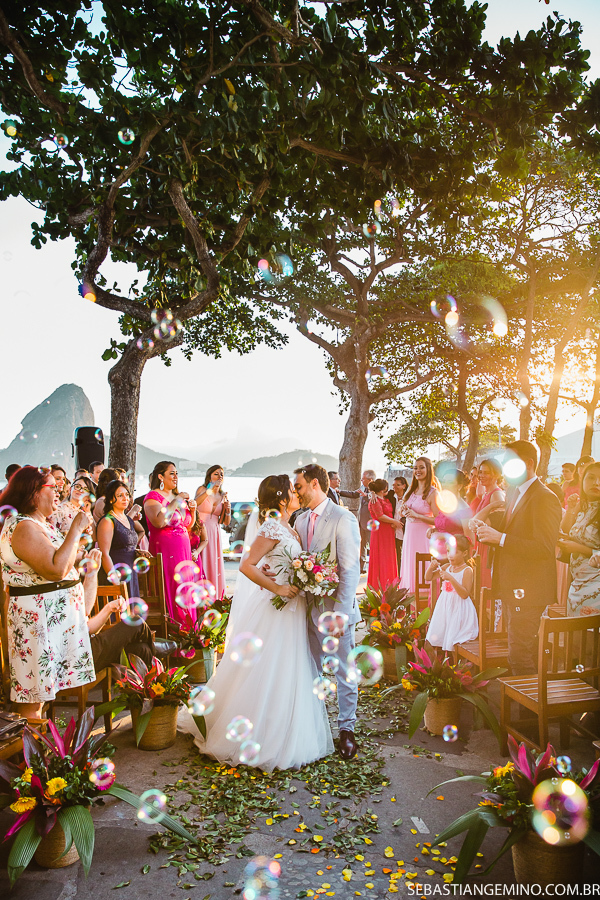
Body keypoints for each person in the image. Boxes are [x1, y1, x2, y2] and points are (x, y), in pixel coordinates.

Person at [178, 474, 333, 770]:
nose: (296, 492)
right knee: (268, 668)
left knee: (291, 667)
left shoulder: (290, 526)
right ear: (282, 496)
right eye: (292, 489)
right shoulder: (272, 526)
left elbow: (273, 563)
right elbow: (248, 565)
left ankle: (288, 730)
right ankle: (258, 734)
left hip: (294, 607)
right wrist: (277, 587)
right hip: (276, 608)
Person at [0, 466, 96, 716]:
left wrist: (78, 552)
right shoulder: (23, 527)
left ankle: (38, 749)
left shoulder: (39, 523)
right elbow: (55, 570)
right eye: (53, 486)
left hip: (52, 623)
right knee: (34, 696)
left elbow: (58, 563)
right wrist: (75, 529)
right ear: (33, 492)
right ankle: (29, 752)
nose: (61, 490)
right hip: (37, 624)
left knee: (42, 695)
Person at [476, 441, 562, 676]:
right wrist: (487, 531)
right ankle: (533, 705)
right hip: (512, 585)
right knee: (523, 650)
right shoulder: (514, 491)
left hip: (531, 589)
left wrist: (500, 538)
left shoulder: (546, 498)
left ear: (529, 463)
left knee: (519, 654)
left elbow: (544, 548)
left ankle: (532, 709)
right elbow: (510, 528)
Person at [294, 464, 361, 760]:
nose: (296, 491)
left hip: (335, 611)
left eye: (299, 486)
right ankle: (316, 727)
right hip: (306, 611)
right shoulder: (299, 521)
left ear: (315, 485)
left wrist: (341, 615)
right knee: (312, 670)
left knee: (344, 673)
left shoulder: (343, 518)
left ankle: (347, 730)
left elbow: (349, 570)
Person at [144, 461, 198, 625]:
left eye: (176, 473)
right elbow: (159, 522)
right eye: (172, 473)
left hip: (183, 551)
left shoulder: (176, 497)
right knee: (172, 588)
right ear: (161, 476)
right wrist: (176, 501)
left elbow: (187, 524)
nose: (176, 477)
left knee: (185, 589)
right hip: (166, 551)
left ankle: (188, 631)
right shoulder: (153, 497)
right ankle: (174, 628)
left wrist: (193, 511)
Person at [559, 462, 600, 616]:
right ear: (582, 481)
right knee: (575, 636)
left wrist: (577, 548)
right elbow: (566, 530)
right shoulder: (583, 507)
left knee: (590, 638)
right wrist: (570, 508)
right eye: (591, 478)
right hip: (577, 584)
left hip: (597, 586)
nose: (596, 483)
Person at [425, 534, 478, 652]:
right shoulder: (447, 567)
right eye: (448, 552)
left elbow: (464, 594)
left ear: (464, 553)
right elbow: (428, 577)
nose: (450, 556)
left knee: (453, 635)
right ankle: (444, 661)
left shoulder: (467, 570)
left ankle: (454, 661)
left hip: (459, 608)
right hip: (445, 605)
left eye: (454, 552)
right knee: (443, 631)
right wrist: (431, 567)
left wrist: (451, 579)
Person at [97, 480, 146, 597]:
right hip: (115, 571)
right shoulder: (107, 521)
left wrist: (136, 551)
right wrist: (116, 583)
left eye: (127, 495)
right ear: (110, 499)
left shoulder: (128, 519)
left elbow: (134, 537)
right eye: (120, 496)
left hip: (130, 571)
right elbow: (104, 553)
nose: (125, 498)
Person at [398, 458, 440, 594]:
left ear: (428, 469)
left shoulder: (433, 493)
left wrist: (417, 515)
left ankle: (424, 601)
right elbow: (400, 512)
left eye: (421, 467)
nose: (418, 471)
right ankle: (410, 602)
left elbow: (439, 520)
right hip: (409, 535)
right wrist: (403, 511)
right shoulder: (411, 490)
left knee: (421, 567)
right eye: (415, 468)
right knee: (409, 565)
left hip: (423, 536)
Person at [468, 458, 506, 588]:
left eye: (486, 473)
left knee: (486, 585)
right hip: (481, 545)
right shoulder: (486, 494)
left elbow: (496, 524)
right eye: (480, 472)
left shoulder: (497, 495)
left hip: (489, 548)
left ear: (496, 474)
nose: (481, 476)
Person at [195, 465, 231, 599]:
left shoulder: (223, 495)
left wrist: (228, 509)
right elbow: (194, 503)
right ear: (209, 476)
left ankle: (215, 598)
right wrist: (209, 490)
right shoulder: (202, 489)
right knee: (202, 562)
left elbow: (225, 522)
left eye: (222, 474)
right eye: (216, 474)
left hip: (215, 531)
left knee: (214, 564)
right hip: (201, 530)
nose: (220, 476)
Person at [339, 469, 376, 574]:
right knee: (362, 544)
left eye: (363, 479)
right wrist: (339, 492)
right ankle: (362, 567)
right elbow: (354, 494)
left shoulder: (376, 489)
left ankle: (374, 567)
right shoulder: (363, 488)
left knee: (372, 545)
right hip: (361, 521)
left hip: (371, 522)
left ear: (370, 480)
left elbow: (377, 502)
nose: (361, 480)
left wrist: (367, 496)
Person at [366, 478, 398, 591]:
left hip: (387, 531)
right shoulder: (375, 501)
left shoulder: (384, 498)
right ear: (383, 489)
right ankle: (380, 586)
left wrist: (372, 492)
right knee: (381, 557)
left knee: (388, 557)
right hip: (380, 531)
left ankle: (390, 583)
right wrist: (395, 522)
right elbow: (380, 516)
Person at [389, 476, 408, 570]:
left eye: (398, 485)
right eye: (393, 485)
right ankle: (398, 576)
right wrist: (371, 493)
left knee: (406, 554)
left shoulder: (409, 497)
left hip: (406, 530)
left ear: (404, 486)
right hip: (393, 530)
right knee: (396, 556)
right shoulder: (390, 494)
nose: (394, 487)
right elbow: (377, 493)